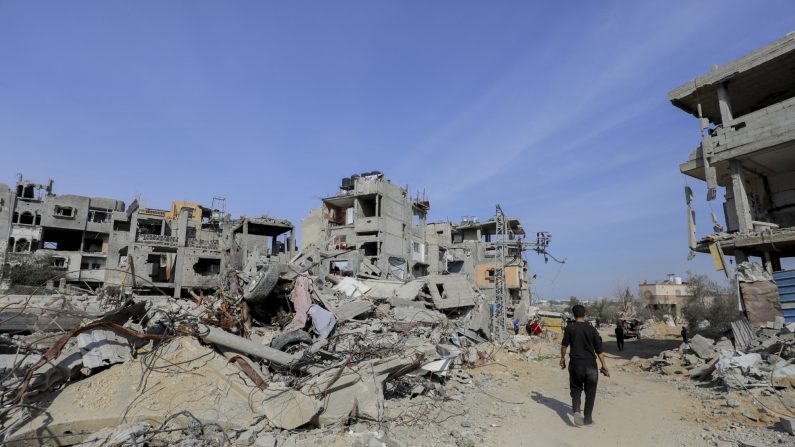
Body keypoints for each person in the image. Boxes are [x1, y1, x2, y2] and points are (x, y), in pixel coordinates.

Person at [560, 305, 608, 426]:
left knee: (576, 389)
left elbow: (564, 346)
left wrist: (562, 358)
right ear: (585, 314)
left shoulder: (569, 328)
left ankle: (576, 411)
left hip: (576, 364)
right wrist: (604, 365)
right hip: (591, 366)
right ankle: (588, 418)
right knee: (590, 392)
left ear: (574, 315)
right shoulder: (592, 329)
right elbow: (599, 351)